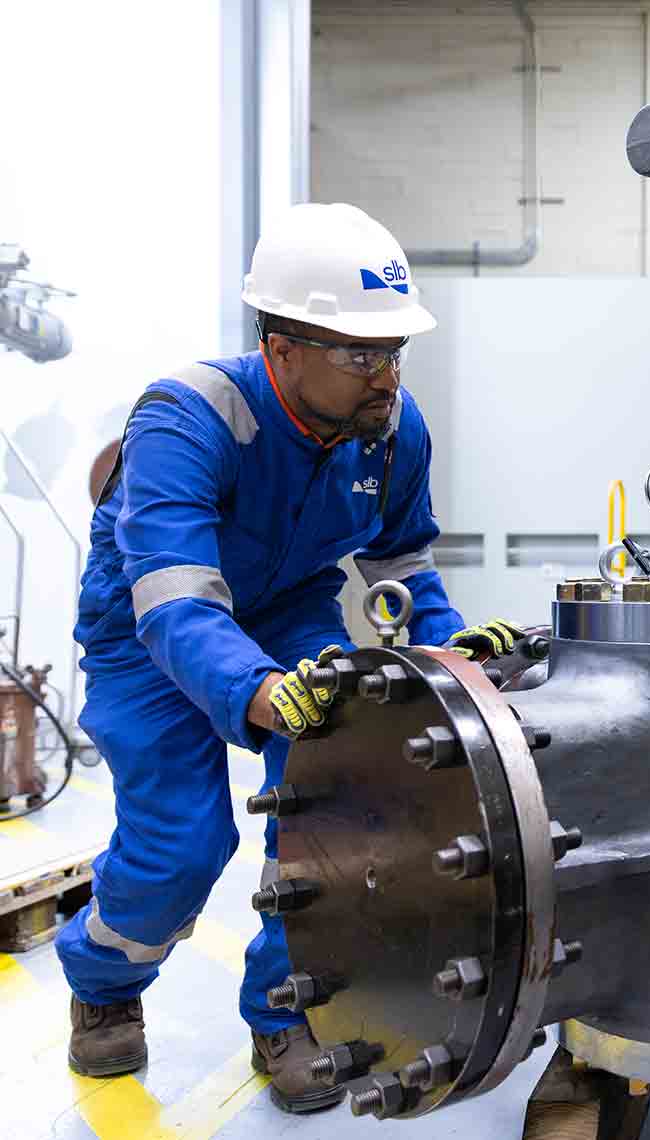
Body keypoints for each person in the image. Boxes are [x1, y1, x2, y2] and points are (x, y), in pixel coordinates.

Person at [55, 203, 524, 1112]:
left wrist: (444, 640)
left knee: (339, 811)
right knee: (180, 850)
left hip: (287, 614)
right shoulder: (189, 418)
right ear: (282, 348)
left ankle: (286, 1009)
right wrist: (257, 690)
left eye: (393, 349)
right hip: (148, 636)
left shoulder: (391, 428)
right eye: (359, 353)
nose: (384, 374)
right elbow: (174, 599)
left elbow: (400, 561)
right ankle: (105, 985)